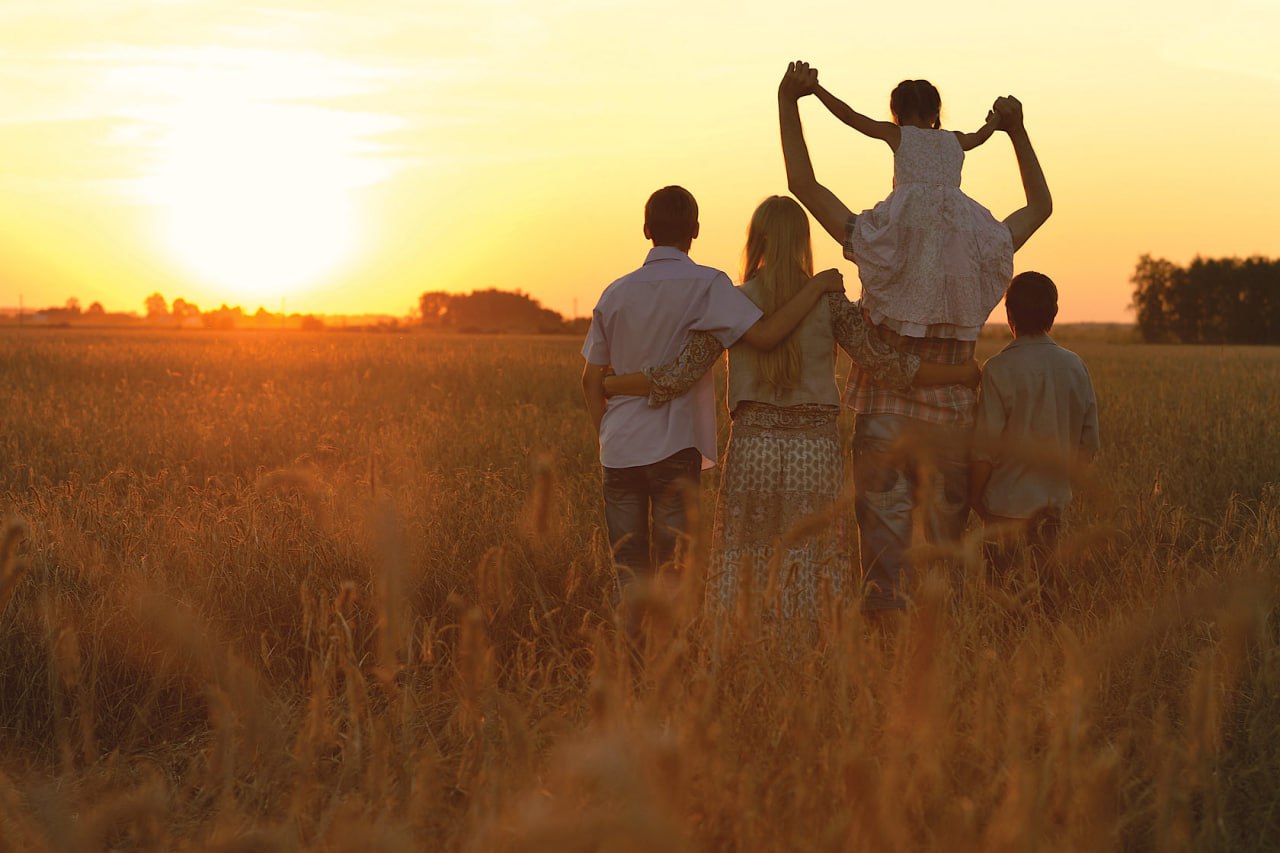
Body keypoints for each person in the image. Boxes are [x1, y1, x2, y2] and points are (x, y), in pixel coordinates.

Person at [602, 195, 979, 632]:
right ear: (803, 241)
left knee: (748, 555)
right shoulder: (832, 303)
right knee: (814, 554)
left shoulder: (733, 301)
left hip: (752, 452)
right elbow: (888, 367)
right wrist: (959, 372)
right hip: (815, 452)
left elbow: (676, 376)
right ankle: (811, 653)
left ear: (755, 241)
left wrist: (612, 382)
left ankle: (745, 648)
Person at [777, 61, 1053, 617]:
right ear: (940, 125)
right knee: (941, 571)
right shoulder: (984, 239)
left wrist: (791, 98)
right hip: (951, 420)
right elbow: (1041, 206)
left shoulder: (876, 232)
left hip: (882, 417)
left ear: (897, 127)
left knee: (883, 571)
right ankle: (938, 674)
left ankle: (884, 669)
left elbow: (802, 184)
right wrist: (1015, 129)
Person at [580, 185, 844, 617]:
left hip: (621, 448)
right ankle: (670, 661)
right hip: (674, 444)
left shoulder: (614, 292)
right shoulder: (710, 285)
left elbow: (591, 379)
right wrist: (816, 288)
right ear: (696, 230)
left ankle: (634, 666)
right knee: (673, 568)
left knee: (627, 570)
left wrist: (607, 430)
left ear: (646, 229)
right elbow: (764, 335)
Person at [814, 79, 1010, 340]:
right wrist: (996, 121)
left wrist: (816, 89)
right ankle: (947, 318)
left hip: (909, 218)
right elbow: (980, 137)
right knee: (951, 271)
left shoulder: (899, 134)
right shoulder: (954, 139)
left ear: (897, 111)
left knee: (894, 263)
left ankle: (903, 324)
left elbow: (849, 116)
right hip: (953, 221)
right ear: (936, 111)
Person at [969, 271, 1100, 574]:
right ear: (1054, 313)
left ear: (1009, 314)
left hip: (1002, 507)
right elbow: (1088, 445)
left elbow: (985, 449)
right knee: (1047, 592)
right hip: (1051, 506)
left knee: (1002, 597)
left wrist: (975, 498)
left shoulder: (998, 369)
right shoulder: (1075, 366)